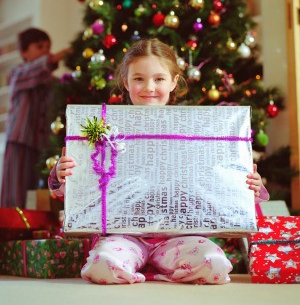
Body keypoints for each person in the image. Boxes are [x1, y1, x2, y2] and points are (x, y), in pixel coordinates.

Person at [48, 38, 269, 285]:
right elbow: (80, 185)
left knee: (216, 266)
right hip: (124, 236)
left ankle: (155, 272)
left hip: (180, 238)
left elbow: (224, 185)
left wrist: (251, 185)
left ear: (174, 82)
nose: (149, 87)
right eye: (139, 78)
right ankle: (146, 269)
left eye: (159, 79)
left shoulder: (198, 128)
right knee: (101, 265)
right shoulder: (105, 124)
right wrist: (61, 173)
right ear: (126, 82)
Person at [1, 27, 69, 208]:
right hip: (20, 141)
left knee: (37, 194)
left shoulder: (51, 82)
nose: (46, 51)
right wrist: (62, 54)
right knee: (15, 191)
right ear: (24, 52)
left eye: (48, 47)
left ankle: (33, 228)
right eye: (39, 47)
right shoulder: (18, 73)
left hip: (41, 144)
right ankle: (10, 230)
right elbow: (37, 70)